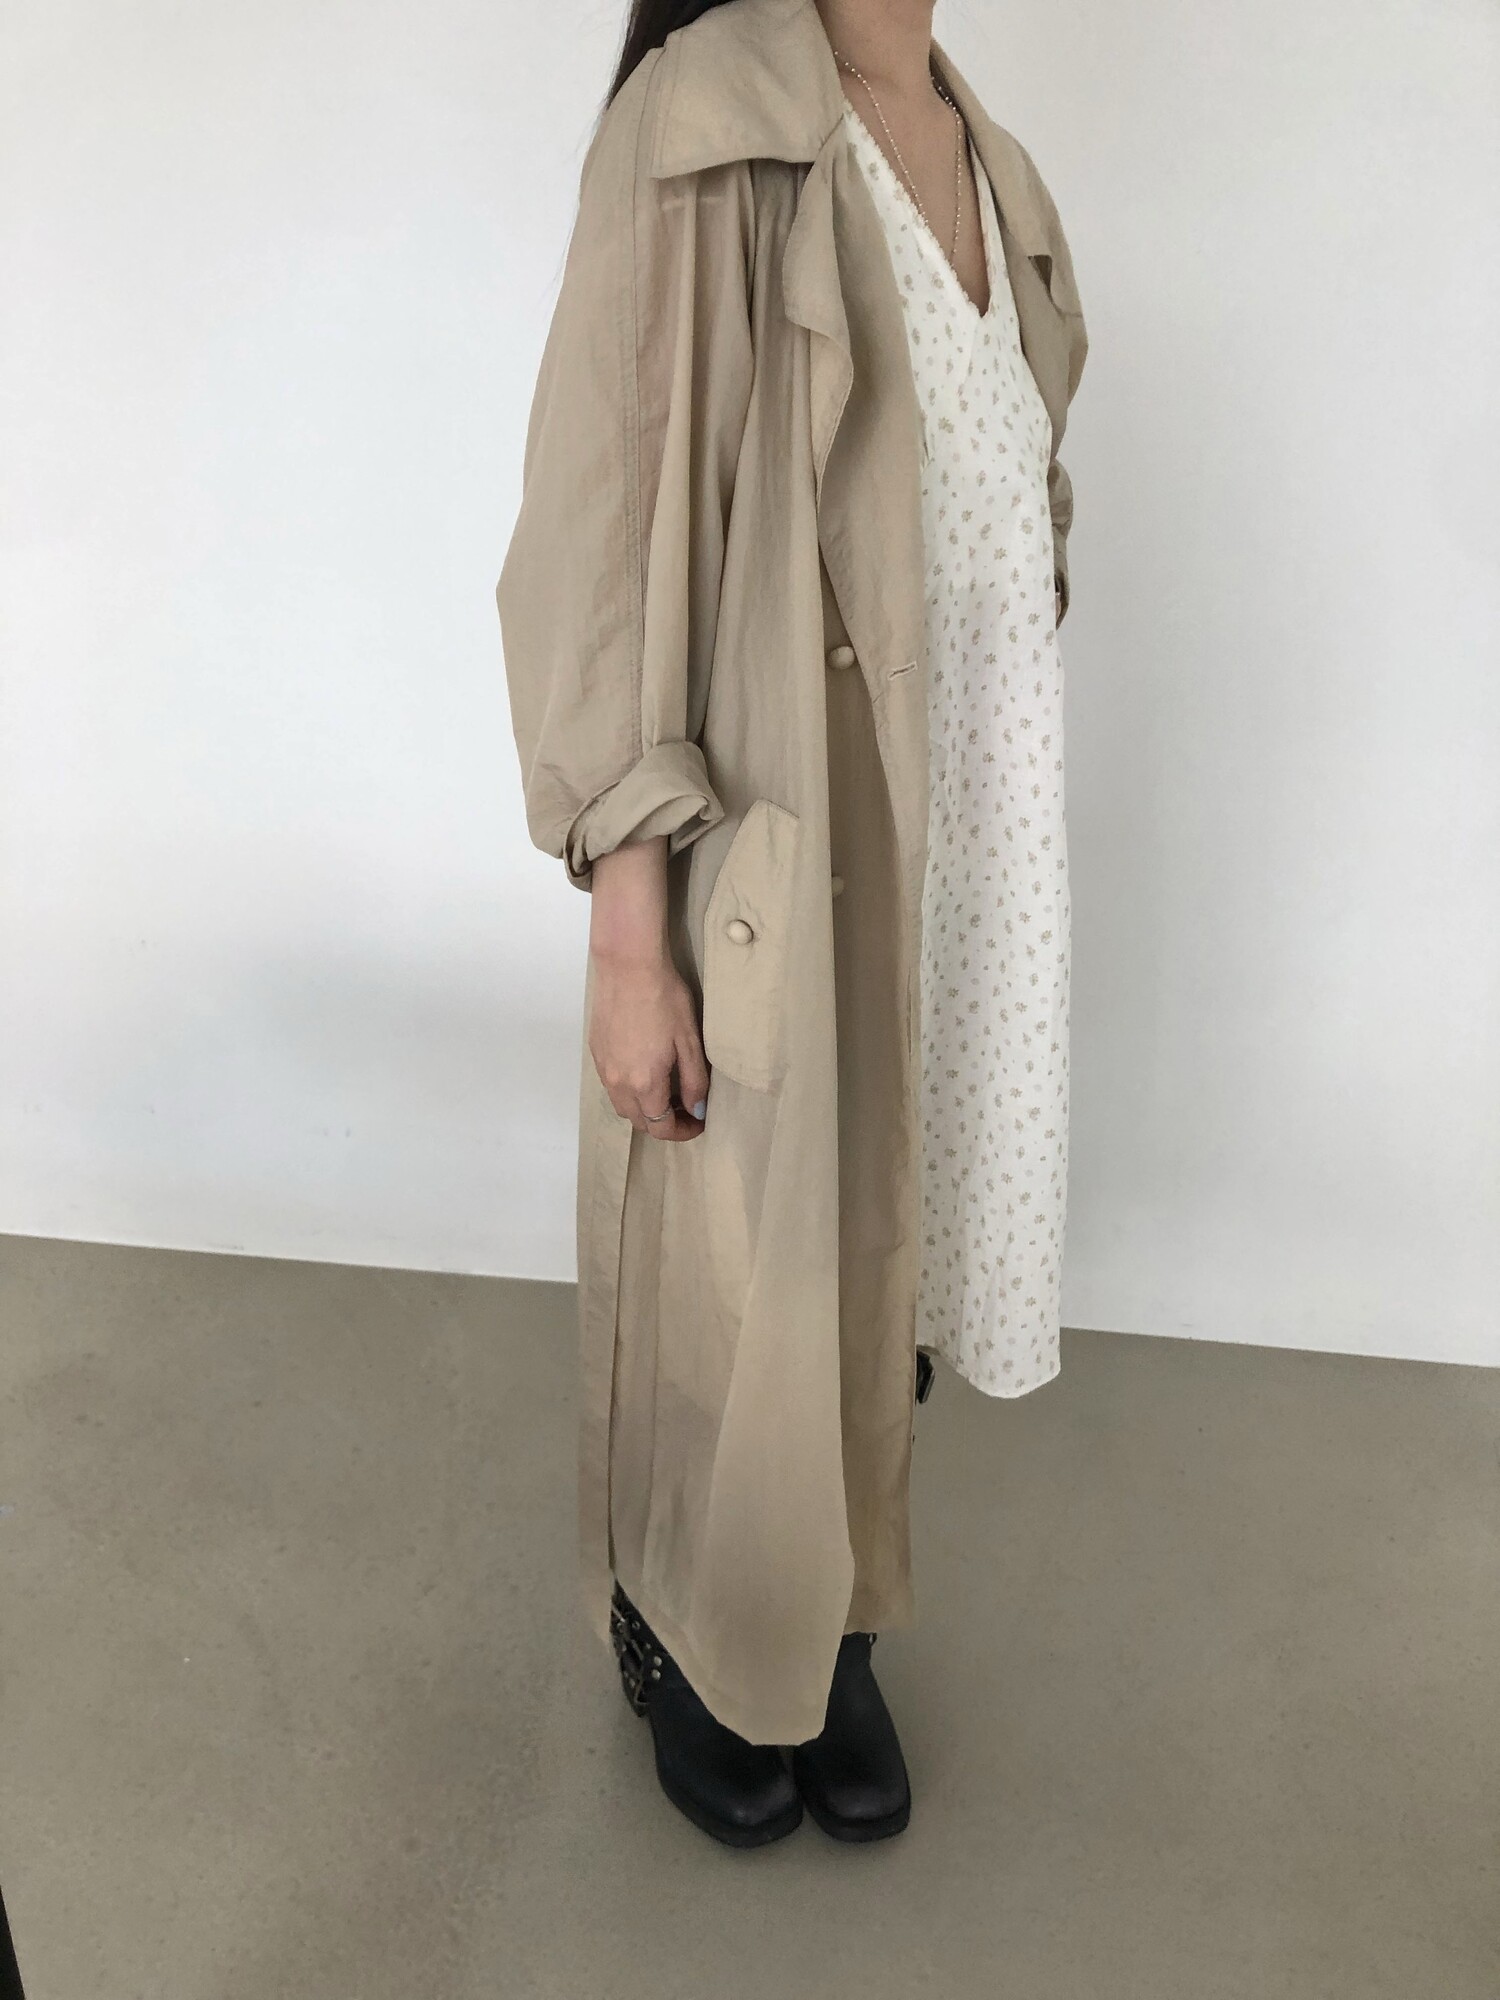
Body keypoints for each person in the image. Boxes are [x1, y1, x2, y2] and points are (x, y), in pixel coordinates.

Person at [496, 0, 1088, 1848]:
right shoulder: (709, 122)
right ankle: (688, 1625)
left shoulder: (992, 158)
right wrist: (627, 926)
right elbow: (601, 532)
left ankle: (834, 1615)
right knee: (745, 1268)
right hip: (781, 826)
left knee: (882, 1239)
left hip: (970, 834)